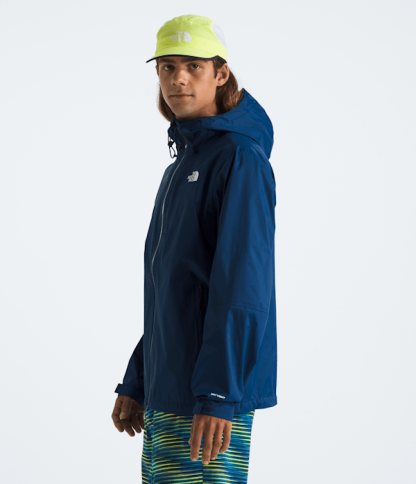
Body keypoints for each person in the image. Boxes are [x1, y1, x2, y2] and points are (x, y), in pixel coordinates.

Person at [111, 14, 277, 483]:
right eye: (167, 67)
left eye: (193, 66)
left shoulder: (239, 158)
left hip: (209, 396)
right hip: (172, 391)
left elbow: (243, 287)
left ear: (220, 73)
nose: (177, 79)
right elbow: (175, 290)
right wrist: (141, 378)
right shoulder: (181, 166)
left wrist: (219, 394)